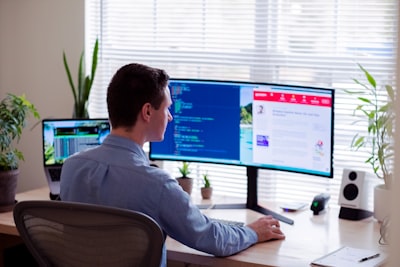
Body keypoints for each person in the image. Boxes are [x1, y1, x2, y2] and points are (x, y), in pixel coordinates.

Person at [60, 63, 285, 266]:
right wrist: (253, 232)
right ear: (147, 112)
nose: (170, 117)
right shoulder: (156, 184)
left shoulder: (71, 167)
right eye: (167, 108)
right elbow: (210, 237)